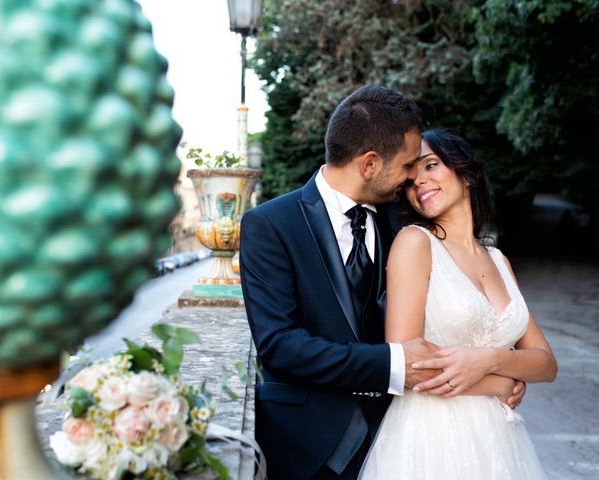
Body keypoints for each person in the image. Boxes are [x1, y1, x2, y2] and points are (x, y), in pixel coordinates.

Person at [239, 87, 525, 479]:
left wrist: (495, 373)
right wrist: (394, 363)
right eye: (409, 165)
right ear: (370, 164)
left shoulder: (405, 224)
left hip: (397, 440)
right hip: (305, 446)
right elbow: (279, 345)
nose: (413, 178)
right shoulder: (271, 225)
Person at [360, 129, 557, 479]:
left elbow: (546, 364)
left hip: (502, 438)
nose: (419, 182)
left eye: (431, 165)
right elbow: (406, 364)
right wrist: (501, 383)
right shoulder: (414, 243)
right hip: (433, 435)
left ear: (466, 173)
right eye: (410, 179)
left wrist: (493, 359)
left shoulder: (498, 260)